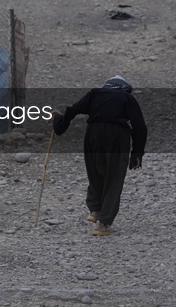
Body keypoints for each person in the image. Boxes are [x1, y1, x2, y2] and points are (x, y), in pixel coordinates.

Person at [52, 76, 147, 236]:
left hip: (93, 133)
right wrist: (136, 153)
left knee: (95, 172)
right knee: (114, 178)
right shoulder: (126, 97)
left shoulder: (95, 94)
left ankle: (95, 210)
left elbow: (73, 109)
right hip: (116, 135)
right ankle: (102, 224)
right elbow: (140, 127)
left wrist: (59, 123)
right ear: (123, 88)